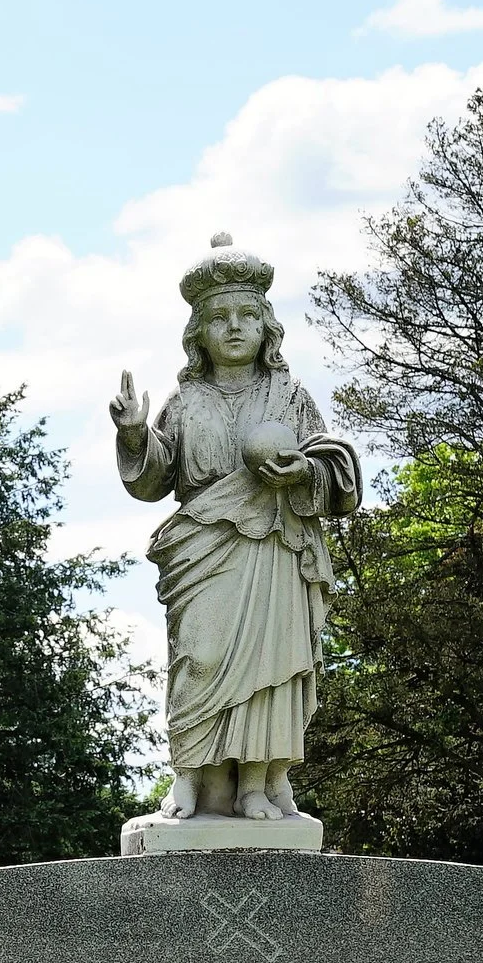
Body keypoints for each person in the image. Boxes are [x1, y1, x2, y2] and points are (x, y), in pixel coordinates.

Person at [112, 234, 362, 822]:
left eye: (247, 315)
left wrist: (304, 470)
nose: (234, 327)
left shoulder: (289, 396)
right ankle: (188, 777)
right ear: (198, 332)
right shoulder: (185, 400)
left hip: (273, 543)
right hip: (203, 548)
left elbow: (334, 463)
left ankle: (256, 785)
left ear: (266, 325)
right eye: (219, 317)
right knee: (198, 658)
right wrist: (135, 434)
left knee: (269, 670)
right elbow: (156, 478)